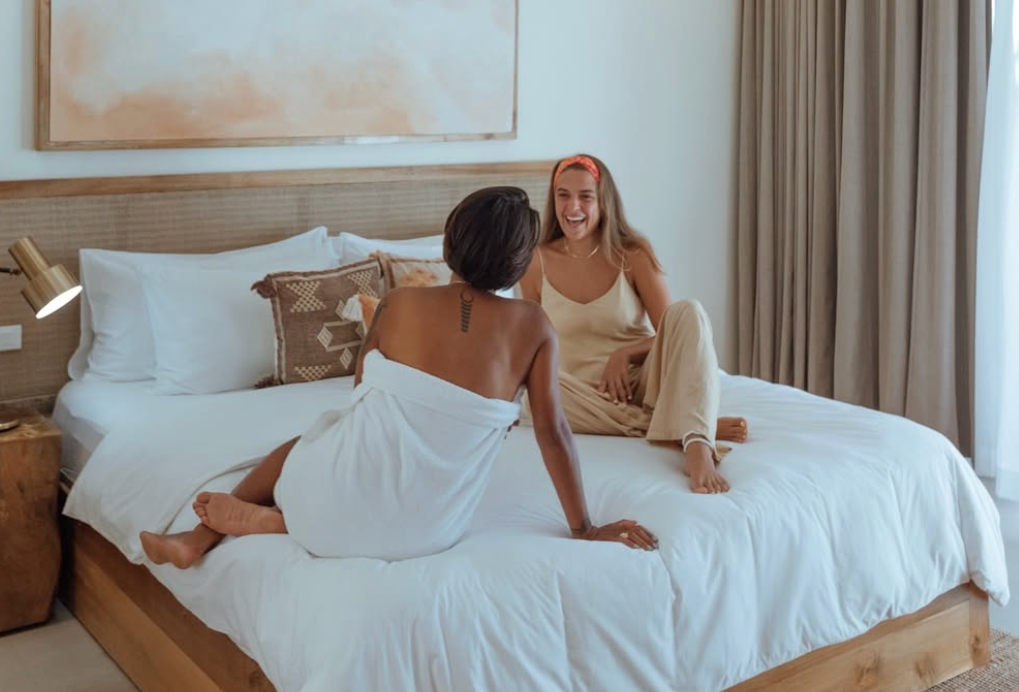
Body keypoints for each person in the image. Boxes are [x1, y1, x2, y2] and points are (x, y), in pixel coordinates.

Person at [141, 186, 655, 567]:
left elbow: (361, 394)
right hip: (428, 532)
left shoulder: (399, 303)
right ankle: (285, 523)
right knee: (356, 466)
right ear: (522, 262)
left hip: (328, 502)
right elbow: (553, 433)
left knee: (304, 444)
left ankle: (205, 537)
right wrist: (584, 528)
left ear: (450, 243)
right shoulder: (534, 326)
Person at [520, 154, 746, 495]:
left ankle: (698, 445)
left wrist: (625, 354)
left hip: (642, 385)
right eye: (563, 195)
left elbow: (671, 333)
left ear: (604, 201)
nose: (573, 207)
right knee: (532, 399)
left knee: (690, 312)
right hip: (580, 395)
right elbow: (532, 345)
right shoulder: (535, 261)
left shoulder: (633, 254)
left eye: (585, 196)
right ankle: (687, 424)